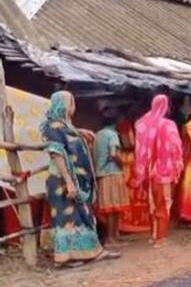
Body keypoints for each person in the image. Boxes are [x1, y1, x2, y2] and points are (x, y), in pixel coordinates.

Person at [41, 91, 120, 267]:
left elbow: (68, 136)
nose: (73, 106)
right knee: (67, 219)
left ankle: (90, 252)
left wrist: (80, 131)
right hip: (62, 181)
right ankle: (65, 259)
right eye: (71, 102)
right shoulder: (52, 126)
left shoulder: (64, 126)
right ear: (63, 104)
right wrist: (69, 182)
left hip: (75, 182)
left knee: (82, 217)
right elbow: (57, 154)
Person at [133, 94, 184, 247]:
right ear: (166, 105)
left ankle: (153, 235)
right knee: (164, 203)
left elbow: (139, 149)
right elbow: (176, 147)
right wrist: (177, 165)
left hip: (147, 170)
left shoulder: (142, 123)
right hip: (164, 170)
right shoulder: (168, 125)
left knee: (152, 203)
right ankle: (160, 238)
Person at [94, 107, 128, 247]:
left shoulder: (98, 134)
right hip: (112, 173)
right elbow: (114, 154)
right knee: (114, 208)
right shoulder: (112, 134)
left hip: (101, 174)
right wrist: (122, 165)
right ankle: (111, 239)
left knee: (109, 208)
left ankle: (114, 237)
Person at [117, 106, 151, 234]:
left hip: (124, 158)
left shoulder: (121, 126)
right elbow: (130, 143)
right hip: (132, 158)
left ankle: (125, 223)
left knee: (128, 192)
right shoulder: (129, 126)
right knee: (136, 191)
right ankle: (136, 222)